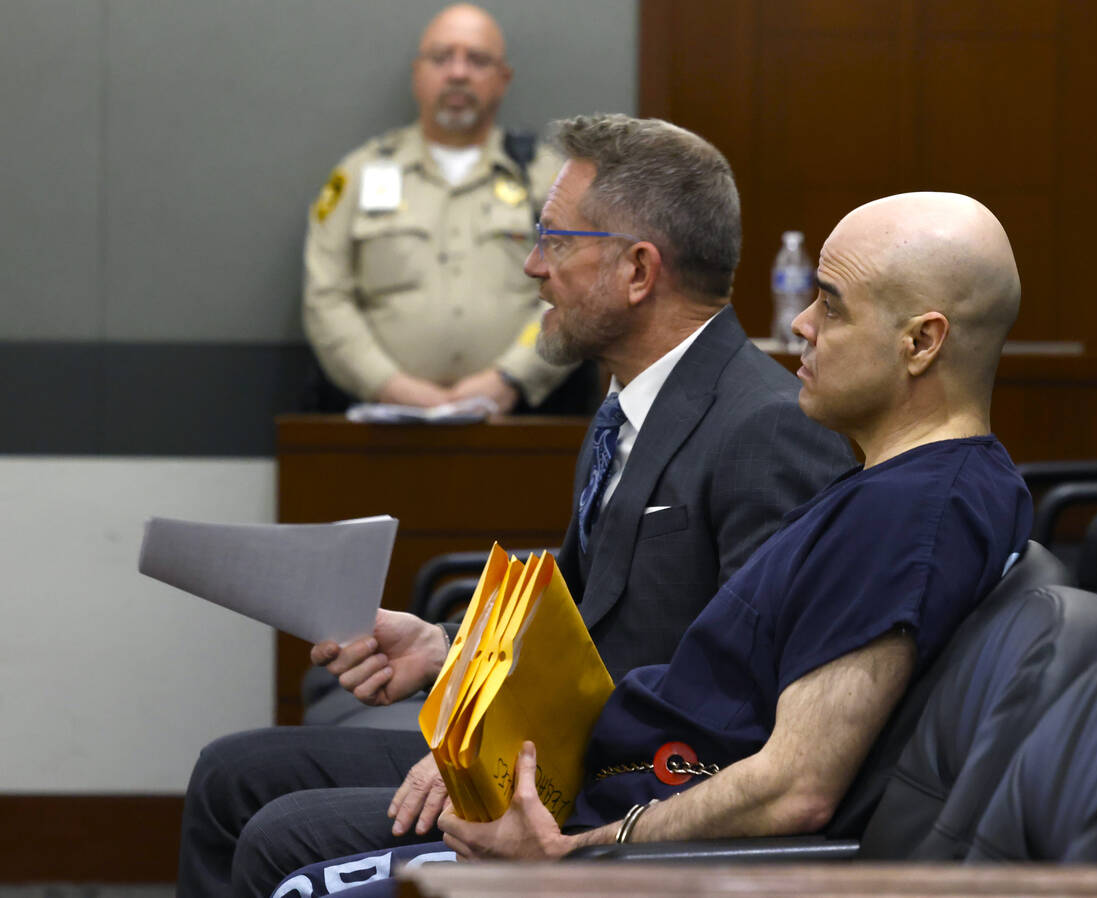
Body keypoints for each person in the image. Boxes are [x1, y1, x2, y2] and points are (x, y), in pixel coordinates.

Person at [268, 189, 1034, 894]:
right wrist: (453, 651)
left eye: (831, 307)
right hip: (609, 781)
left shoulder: (909, 515)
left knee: (283, 861)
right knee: (272, 820)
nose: (800, 322)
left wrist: (584, 855)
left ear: (922, 343)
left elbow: (795, 786)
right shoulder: (914, 484)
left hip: (620, 842)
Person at [178, 114, 853, 898]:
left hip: (608, 799)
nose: (534, 267)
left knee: (276, 837)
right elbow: (572, 623)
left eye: (557, 242)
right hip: (551, 755)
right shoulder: (629, 406)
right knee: (231, 776)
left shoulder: (766, 430)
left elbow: (742, 706)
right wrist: (444, 649)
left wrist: (501, 745)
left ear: (638, 272)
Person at [303, 3, 570, 412]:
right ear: (417, 73)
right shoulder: (358, 175)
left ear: (503, 79)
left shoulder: (549, 181)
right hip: (381, 425)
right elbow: (327, 297)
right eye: (441, 58)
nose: (458, 72)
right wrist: (388, 385)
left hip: (519, 425)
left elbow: (575, 289)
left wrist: (511, 377)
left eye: (477, 60)